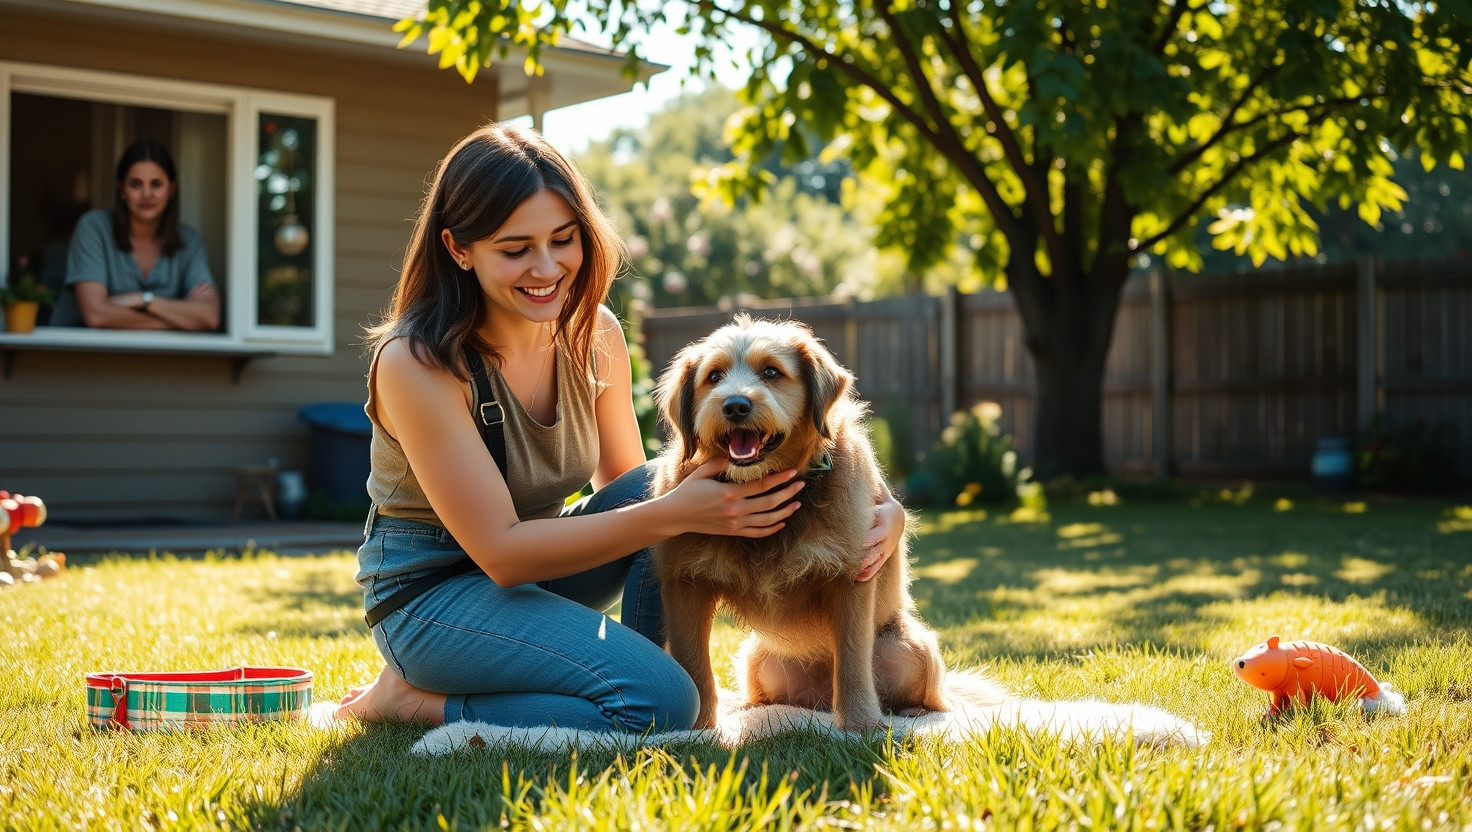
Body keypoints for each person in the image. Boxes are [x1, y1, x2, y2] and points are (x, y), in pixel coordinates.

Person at [333, 123, 907, 732]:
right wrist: (677, 512)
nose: (547, 267)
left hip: (541, 571)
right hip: (434, 595)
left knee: (653, 497)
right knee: (657, 703)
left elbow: (639, 490)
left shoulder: (593, 332)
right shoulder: (416, 363)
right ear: (459, 249)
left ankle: (649, 676)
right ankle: (412, 700)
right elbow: (500, 553)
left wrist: (877, 510)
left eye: (563, 239)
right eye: (515, 248)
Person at [49, 140, 221, 330]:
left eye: (156, 184)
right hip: (78, 356)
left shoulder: (188, 240)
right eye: (136, 184)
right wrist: (177, 320)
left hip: (159, 358)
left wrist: (142, 300)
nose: (147, 194)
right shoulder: (93, 228)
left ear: (171, 190)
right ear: (121, 189)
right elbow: (96, 315)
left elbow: (209, 316)